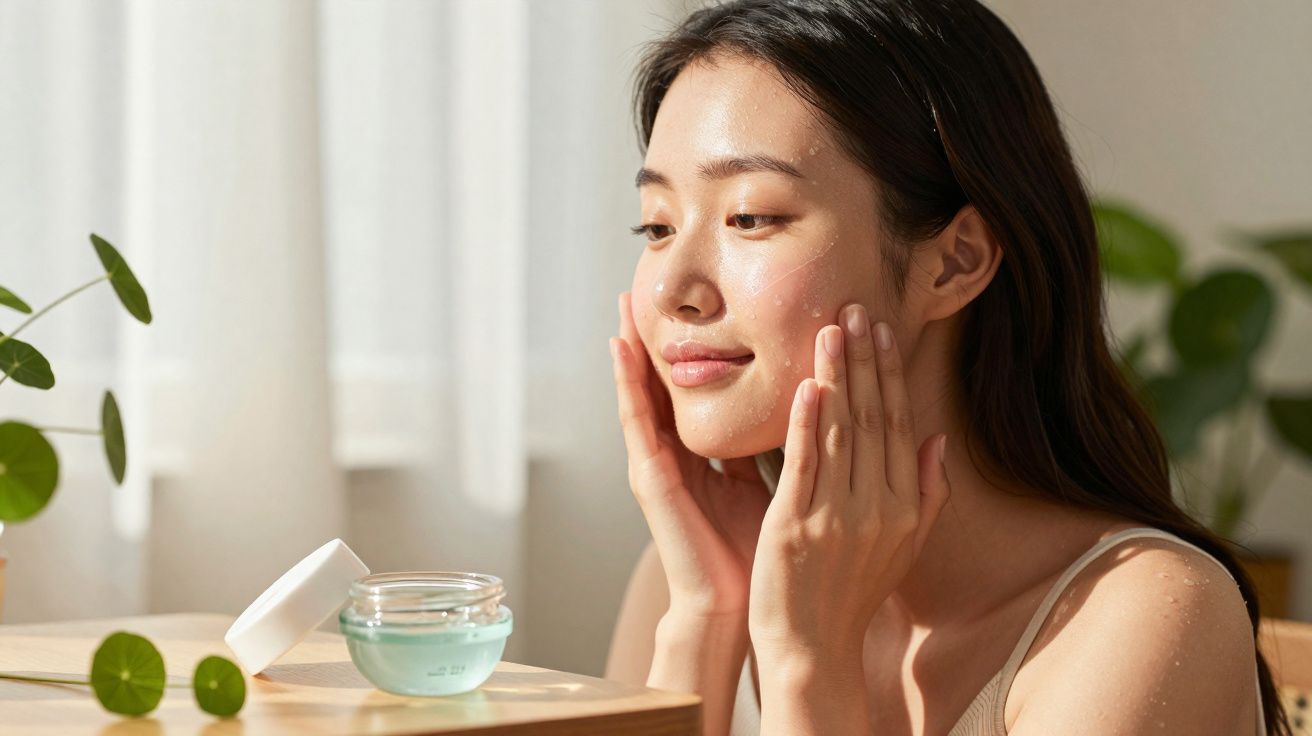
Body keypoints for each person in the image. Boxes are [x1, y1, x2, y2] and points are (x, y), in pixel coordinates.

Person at [602, 1, 1290, 735]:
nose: (673, 290)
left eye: (751, 216)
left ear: (955, 260)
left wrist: (809, 663)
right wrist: (705, 622)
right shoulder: (701, 576)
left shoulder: (1144, 616)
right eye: (659, 225)